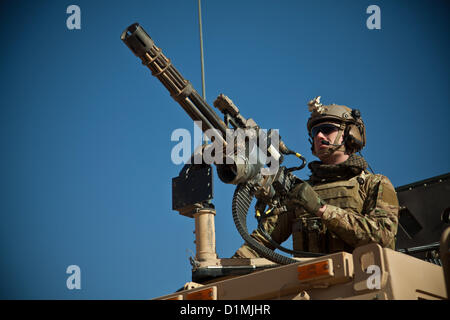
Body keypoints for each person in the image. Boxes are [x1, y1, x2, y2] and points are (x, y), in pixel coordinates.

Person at [233, 96, 399, 258]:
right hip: (310, 283)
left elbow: (383, 235)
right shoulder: (300, 192)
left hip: (362, 281)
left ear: (350, 134)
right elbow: (261, 242)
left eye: (327, 129)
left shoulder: (374, 183)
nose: (319, 136)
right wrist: (220, 272)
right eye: (315, 132)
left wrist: (322, 210)